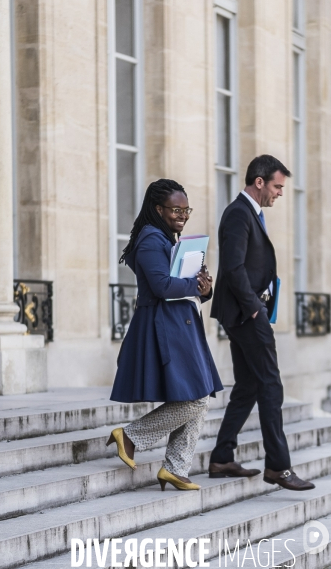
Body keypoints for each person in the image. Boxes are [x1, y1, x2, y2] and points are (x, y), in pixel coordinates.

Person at [107, 179, 223, 492]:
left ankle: (175, 468)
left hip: (180, 324)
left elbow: (181, 284)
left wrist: (205, 287)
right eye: (176, 209)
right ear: (159, 209)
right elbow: (160, 285)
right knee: (195, 399)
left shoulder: (168, 239)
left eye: (186, 209)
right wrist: (193, 287)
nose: (183, 215)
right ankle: (131, 436)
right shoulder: (149, 239)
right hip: (164, 326)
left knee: (196, 396)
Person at [208, 155, 315, 491]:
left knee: (249, 386)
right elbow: (233, 267)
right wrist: (255, 308)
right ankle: (279, 468)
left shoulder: (248, 213)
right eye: (277, 186)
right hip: (245, 314)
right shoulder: (239, 213)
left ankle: (222, 457)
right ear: (259, 181)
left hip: (243, 313)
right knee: (271, 385)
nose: (280, 193)